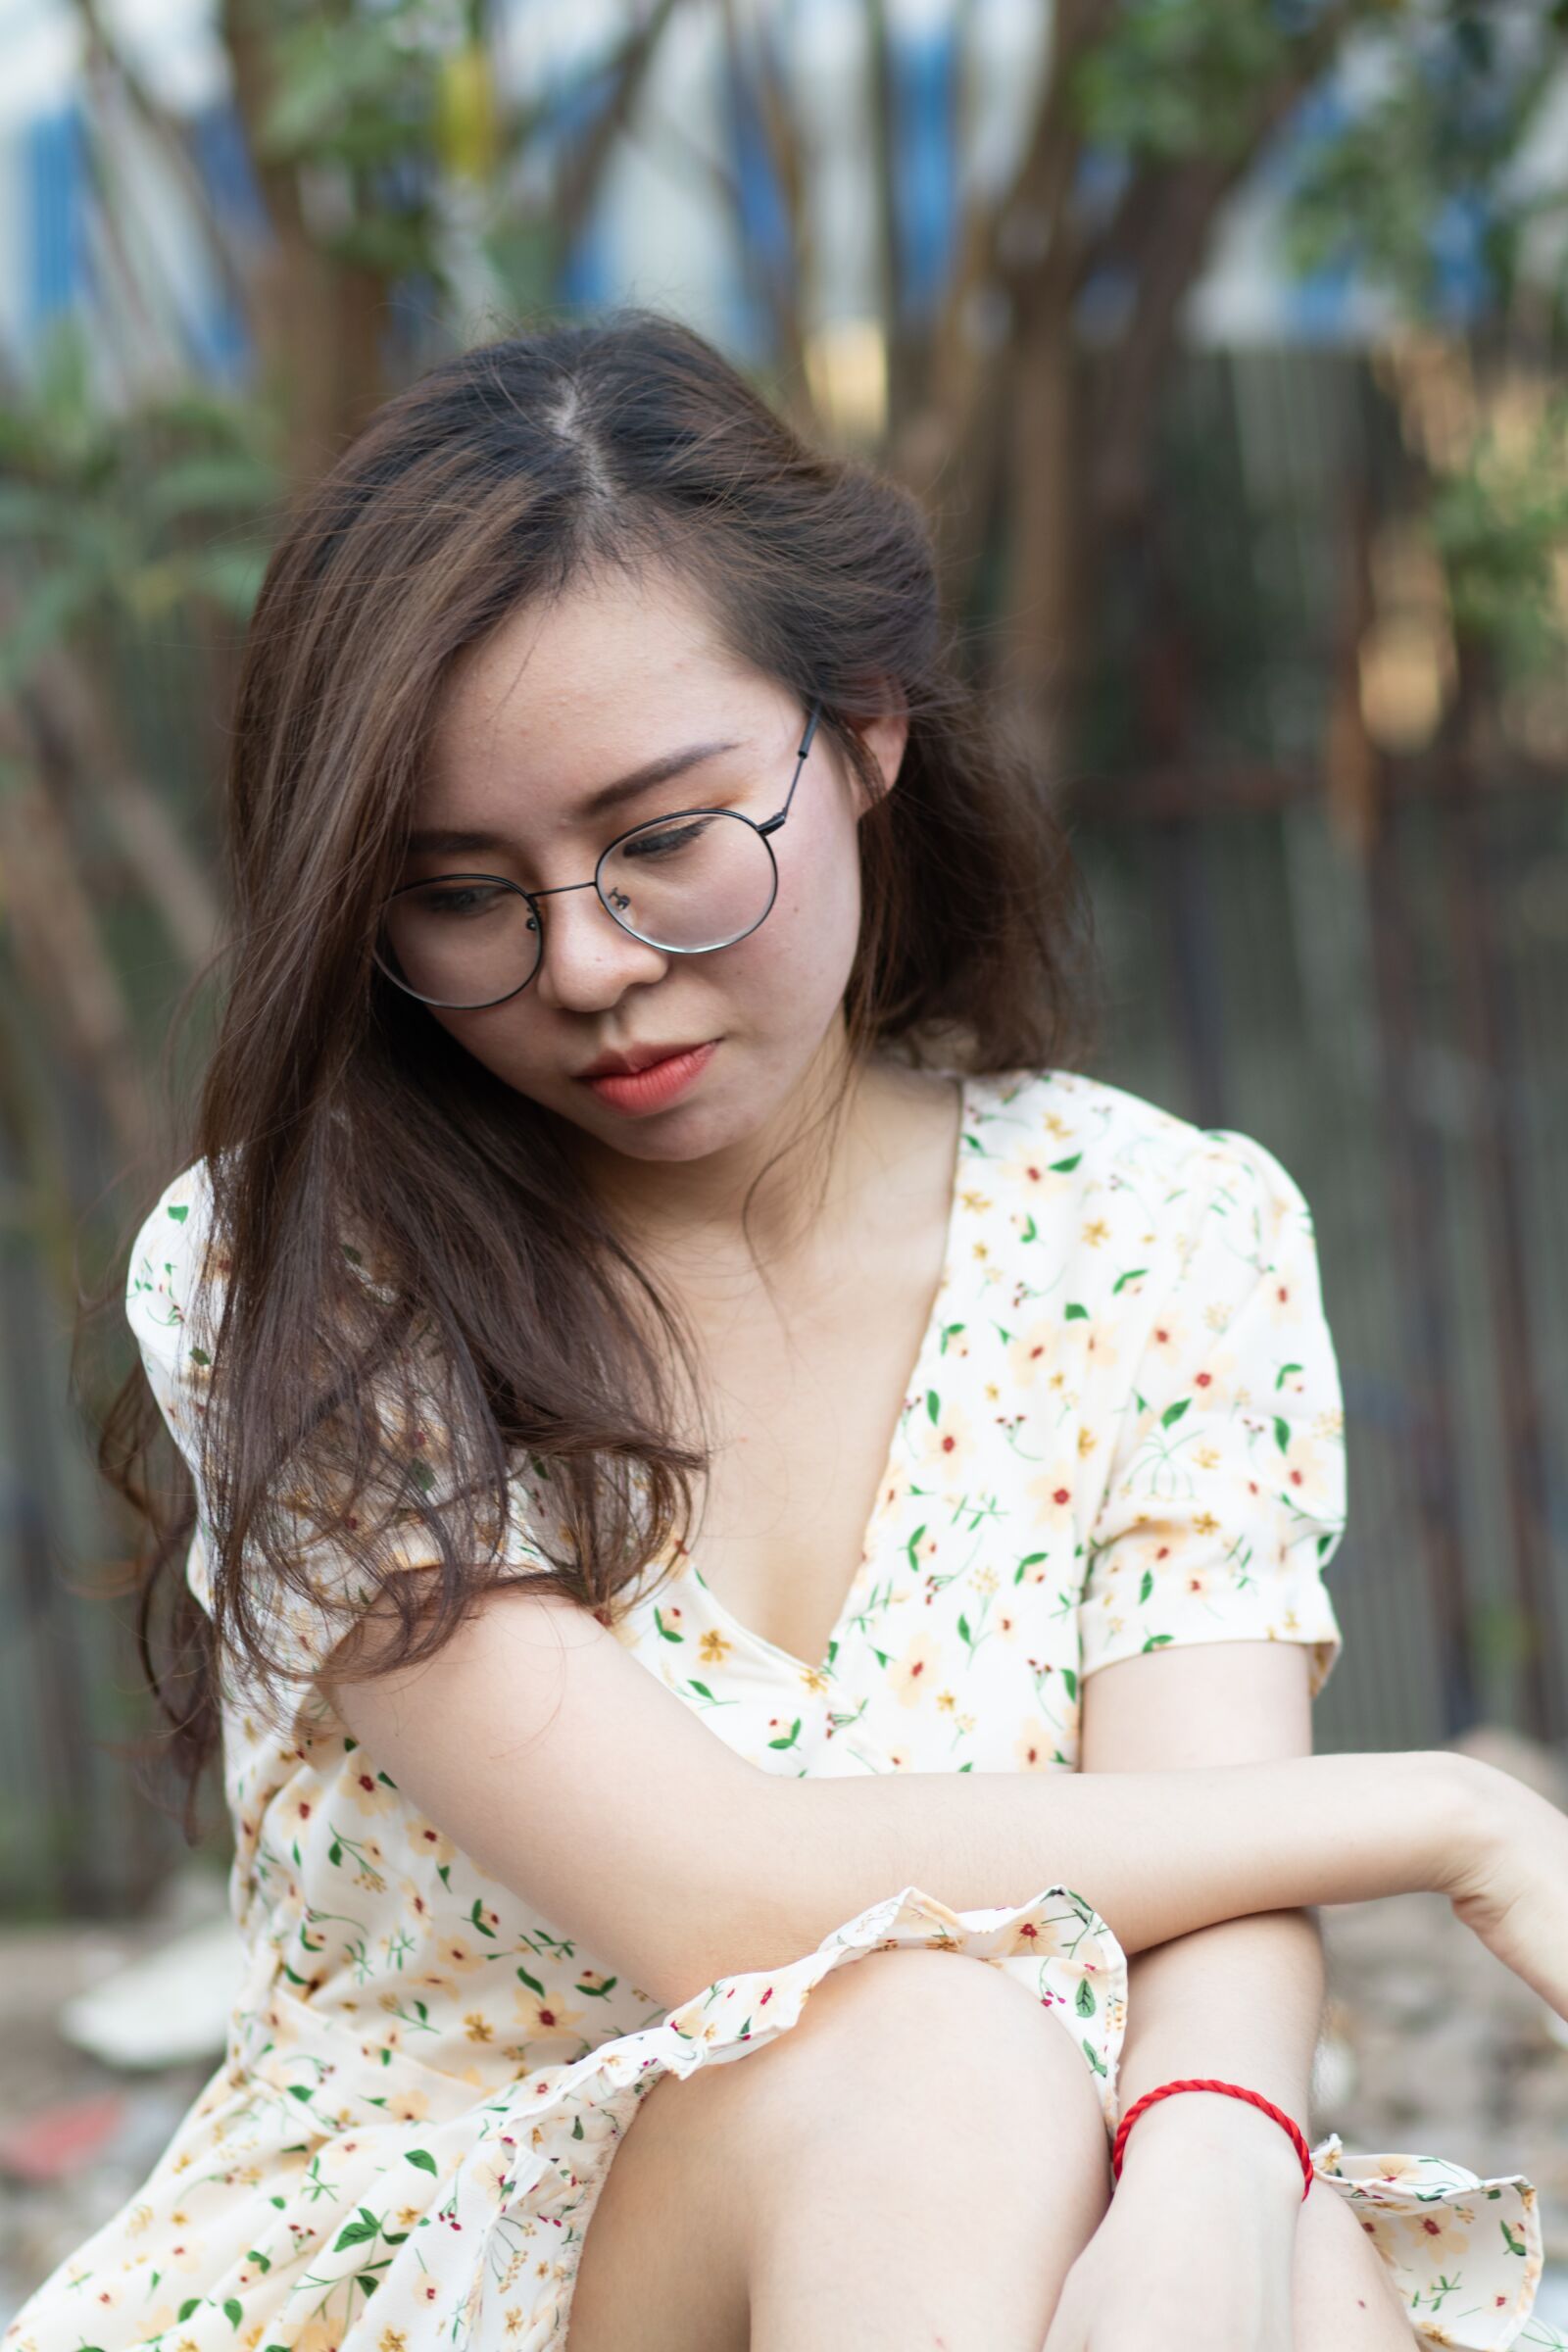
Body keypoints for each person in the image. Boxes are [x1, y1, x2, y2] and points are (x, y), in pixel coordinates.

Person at [9, 311, 1568, 2352]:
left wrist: (1206, 2171)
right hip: (458, 2271)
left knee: (1262, 2253)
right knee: (923, 2054)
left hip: (988, 2208)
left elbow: (1210, 1883)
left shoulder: (1150, 1229)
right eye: (463, 891)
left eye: (661, 841)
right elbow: (726, 1892)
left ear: (860, 728)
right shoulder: (306, 1269)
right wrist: (1448, 1814)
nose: (582, 965)